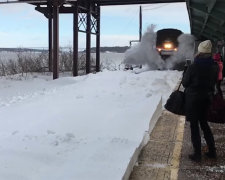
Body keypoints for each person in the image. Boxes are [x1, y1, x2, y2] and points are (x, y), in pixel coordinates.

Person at [182, 40, 219, 162]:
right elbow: (214, 82)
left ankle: (197, 154)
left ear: (200, 52)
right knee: (204, 124)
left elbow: (185, 83)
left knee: (194, 126)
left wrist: (185, 72)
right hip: (206, 99)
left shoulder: (193, 66)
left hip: (193, 100)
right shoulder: (215, 66)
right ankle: (212, 151)